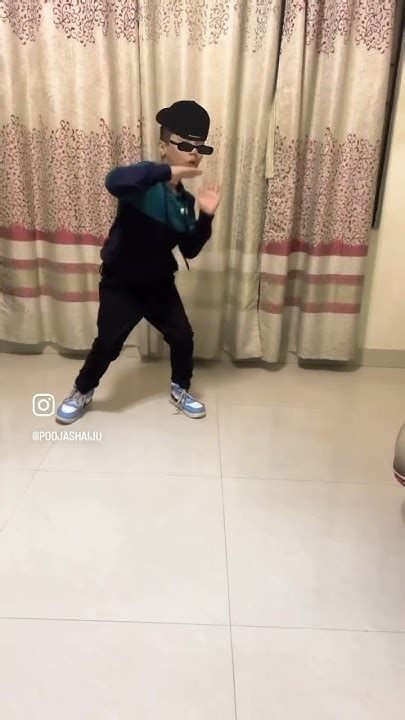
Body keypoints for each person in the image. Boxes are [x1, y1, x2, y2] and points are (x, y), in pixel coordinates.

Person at [56, 100, 221, 423]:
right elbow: (113, 181)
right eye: (184, 145)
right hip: (121, 283)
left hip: (159, 285)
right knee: (108, 343)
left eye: (200, 147)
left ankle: (180, 388)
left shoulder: (185, 201)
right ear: (163, 147)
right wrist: (167, 172)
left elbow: (189, 249)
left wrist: (206, 216)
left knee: (182, 337)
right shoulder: (140, 184)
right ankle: (81, 390)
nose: (193, 154)